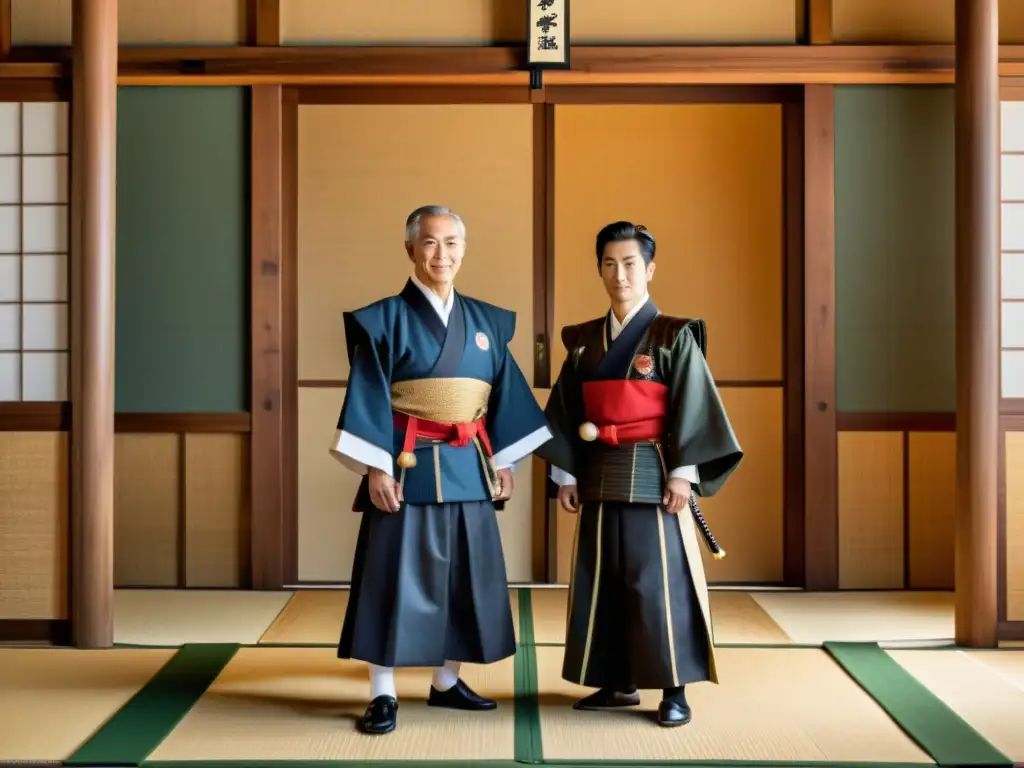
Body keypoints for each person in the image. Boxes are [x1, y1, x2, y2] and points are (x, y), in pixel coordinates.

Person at [330, 205, 552, 735]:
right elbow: (368, 396)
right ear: (411, 249)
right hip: (406, 465)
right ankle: (382, 692)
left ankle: (446, 681)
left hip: (468, 464)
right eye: (430, 243)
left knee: (465, 577)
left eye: (452, 243)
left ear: (463, 249)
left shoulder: (486, 323)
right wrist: (375, 469)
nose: (442, 254)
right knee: (392, 577)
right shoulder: (383, 319)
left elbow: (506, 398)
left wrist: (506, 460)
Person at [534, 221, 743, 728]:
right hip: (599, 471)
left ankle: (675, 688)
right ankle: (617, 679)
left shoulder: (673, 335)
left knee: (659, 580)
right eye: (609, 264)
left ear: (649, 269)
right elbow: (564, 409)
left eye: (629, 264)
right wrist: (566, 475)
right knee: (604, 577)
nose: (619, 274)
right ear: (600, 269)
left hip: (654, 469)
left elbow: (693, 403)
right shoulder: (584, 341)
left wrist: (683, 473)